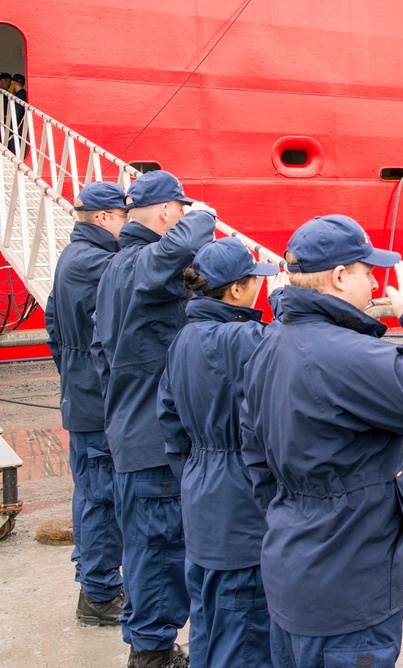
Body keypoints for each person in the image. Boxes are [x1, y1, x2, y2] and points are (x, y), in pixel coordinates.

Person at [240, 214, 403, 668]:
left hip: (294, 566)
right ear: (340, 277)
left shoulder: (270, 342)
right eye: (367, 273)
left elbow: (255, 457)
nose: (374, 286)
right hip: (349, 584)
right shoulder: (345, 352)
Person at [92, 170, 216, 668]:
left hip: (128, 425)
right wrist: (204, 214)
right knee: (159, 547)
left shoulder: (114, 268)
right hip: (152, 438)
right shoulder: (143, 262)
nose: (185, 218)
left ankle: (148, 643)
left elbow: (101, 349)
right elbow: (178, 246)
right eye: (180, 211)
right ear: (167, 212)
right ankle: (152, 651)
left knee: (145, 544)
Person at [157, 238, 283, 667]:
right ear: (235, 290)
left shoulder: (183, 339)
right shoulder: (249, 338)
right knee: (247, 634)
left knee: (209, 626)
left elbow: (170, 425)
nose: (260, 290)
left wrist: (195, 474)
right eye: (254, 282)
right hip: (243, 507)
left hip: (201, 498)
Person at [44, 182, 128, 627]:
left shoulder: (69, 258)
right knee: (101, 498)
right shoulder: (100, 262)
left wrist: (73, 378)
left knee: (93, 494)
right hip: (97, 402)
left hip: (82, 396)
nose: (127, 226)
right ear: (103, 218)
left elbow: (53, 326)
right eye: (123, 218)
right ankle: (97, 595)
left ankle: (96, 585)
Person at [7, 74, 26, 154]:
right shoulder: (24, 94)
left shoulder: (18, 96)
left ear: (13, 83)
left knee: (13, 152)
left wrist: (10, 129)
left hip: (16, 129)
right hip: (21, 128)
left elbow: (17, 114)